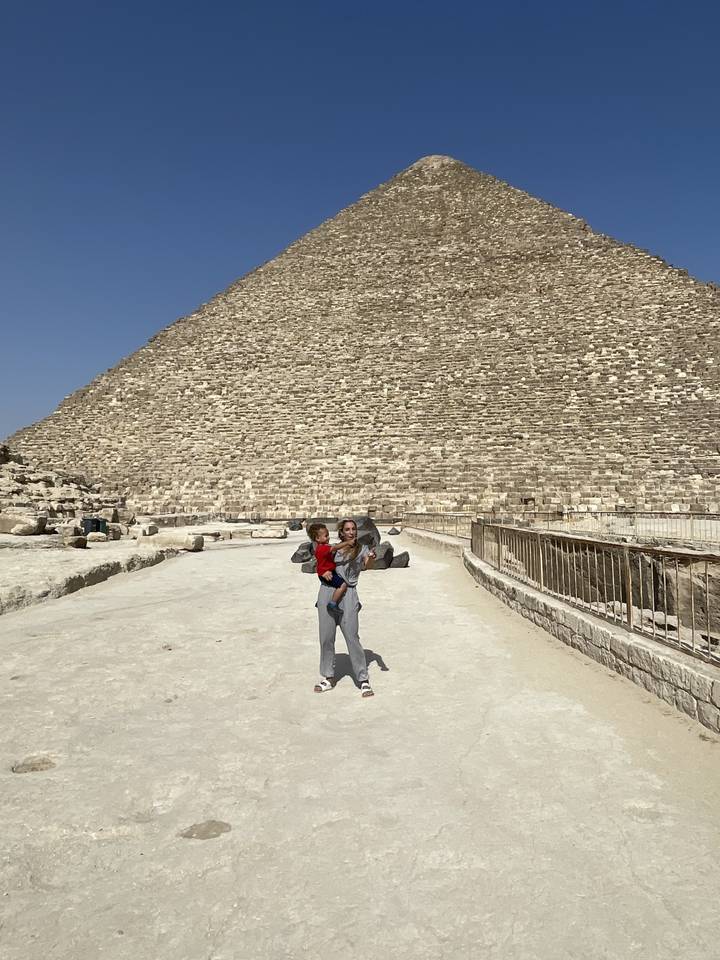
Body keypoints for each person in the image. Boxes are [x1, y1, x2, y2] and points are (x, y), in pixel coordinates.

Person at [313, 518, 376, 698]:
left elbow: (367, 565)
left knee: (352, 637)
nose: (351, 532)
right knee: (326, 637)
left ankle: (363, 679)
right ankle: (328, 676)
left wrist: (371, 558)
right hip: (327, 591)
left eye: (353, 529)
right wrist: (321, 572)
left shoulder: (362, 548)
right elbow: (319, 559)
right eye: (347, 529)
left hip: (348, 594)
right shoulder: (332, 548)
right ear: (341, 532)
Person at [307, 522, 347, 612]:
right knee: (342, 585)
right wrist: (347, 543)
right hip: (326, 573)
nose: (328, 537)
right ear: (317, 538)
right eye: (326, 536)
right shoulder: (322, 548)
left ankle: (321, 601)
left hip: (323, 572)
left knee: (330, 587)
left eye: (328, 535)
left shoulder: (321, 547)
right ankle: (332, 604)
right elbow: (335, 548)